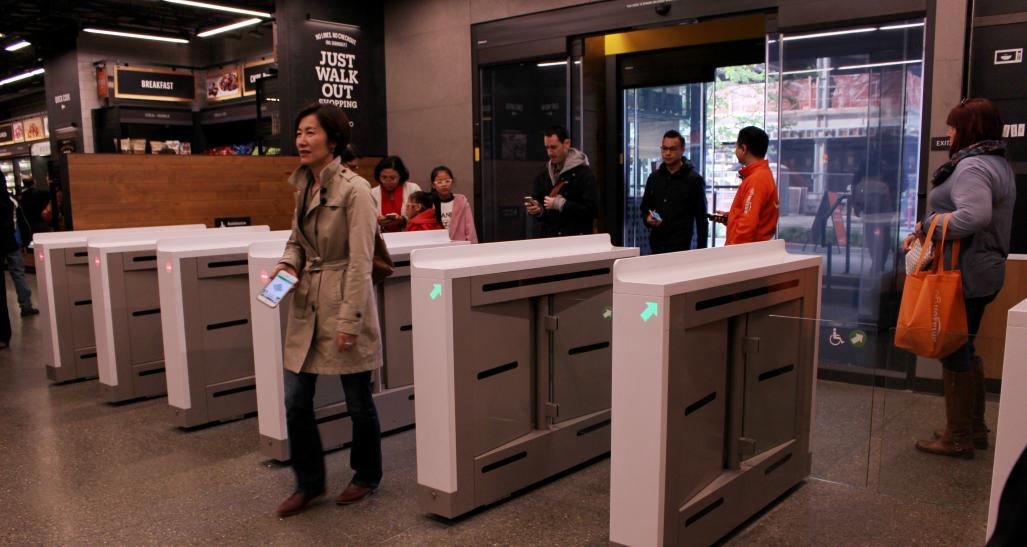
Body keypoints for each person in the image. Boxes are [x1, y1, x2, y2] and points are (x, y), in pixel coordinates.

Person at [272, 104, 384, 516]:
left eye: (310, 133)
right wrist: (287, 264)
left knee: (358, 402)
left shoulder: (355, 190)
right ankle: (309, 482)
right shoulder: (304, 185)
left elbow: (360, 260)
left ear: (332, 140)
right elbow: (297, 240)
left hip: (342, 301)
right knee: (296, 400)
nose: (301, 140)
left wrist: (350, 319)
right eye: (298, 132)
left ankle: (366, 474)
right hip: (307, 304)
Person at [906, 98, 1016, 459]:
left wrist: (926, 226)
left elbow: (973, 217)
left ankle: (957, 437)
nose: (949, 133)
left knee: (953, 350)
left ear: (968, 129)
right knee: (965, 347)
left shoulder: (972, 166)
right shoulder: (997, 162)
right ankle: (973, 427)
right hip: (983, 271)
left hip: (964, 274)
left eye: (953, 127)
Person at [639, 129, 708, 253]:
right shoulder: (654, 177)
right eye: (664, 149)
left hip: (681, 246)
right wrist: (647, 219)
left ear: (682, 150)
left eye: (672, 149)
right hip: (656, 243)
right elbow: (645, 206)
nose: (667, 153)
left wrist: (701, 250)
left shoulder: (694, 180)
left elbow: (701, 219)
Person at [526, 125, 599, 237]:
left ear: (567, 144)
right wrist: (537, 210)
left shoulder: (584, 174)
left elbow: (593, 211)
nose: (549, 152)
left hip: (577, 243)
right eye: (547, 148)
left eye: (554, 147)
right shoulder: (544, 174)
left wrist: (562, 205)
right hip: (551, 241)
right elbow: (543, 211)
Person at [713, 126, 779, 245]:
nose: (735, 150)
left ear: (743, 149)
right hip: (753, 251)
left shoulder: (756, 180)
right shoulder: (762, 175)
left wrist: (730, 252)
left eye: (736, 146)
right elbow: (753, 214)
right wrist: (731, 217)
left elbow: (747, 224)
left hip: (744, 255)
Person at [2, 180, 37, 316]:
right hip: (11, 243)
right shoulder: (11, 201)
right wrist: (24, 243)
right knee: (18, 274)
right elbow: (21, 224)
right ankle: (26, 305)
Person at [371, 156, 420, 233]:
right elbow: (366, 221)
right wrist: (377, 222)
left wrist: (403, 221)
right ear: (378, 176)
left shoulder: (413, 189)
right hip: (381, 239)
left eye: (393, 178)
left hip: (408, 237)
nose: (388, 181)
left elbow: (422, 217)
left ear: (400, 176)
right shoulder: (372, 193)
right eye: (384, 177)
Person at [429, 166, 477, 243]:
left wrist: (472, 247)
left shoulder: (461, 201)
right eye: (439, 182)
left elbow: (470, 228)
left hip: (459, 246)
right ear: (433, 185)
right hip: (436, 245)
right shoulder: (430, 203)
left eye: (447, 181)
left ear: (452, 182)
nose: (444, 185)